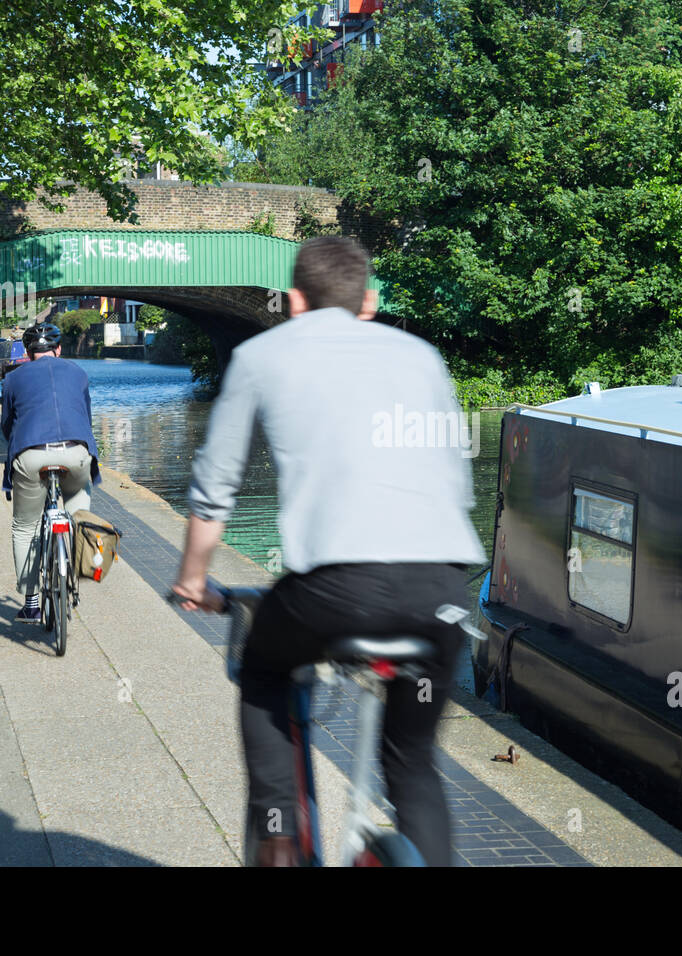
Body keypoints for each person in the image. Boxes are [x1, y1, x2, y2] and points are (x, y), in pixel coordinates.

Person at [172, 236, 484, 867]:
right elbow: (458, 478)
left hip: (336, 593)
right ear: (368, 302)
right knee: (413, 762)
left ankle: (281, 839)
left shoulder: (261, 354)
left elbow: (215, 487)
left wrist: (193, 578)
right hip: (444, 596)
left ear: (292, 302)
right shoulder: (423, 357)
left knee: (263, 670)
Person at [0, 322, 100, 624]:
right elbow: (85, 417)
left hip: (31, 455)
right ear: (59, 350)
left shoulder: (13, 378)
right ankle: (74, 564)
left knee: (25, 526)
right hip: (76, 453)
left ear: (29, 354)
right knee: (78, 511)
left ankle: (31, 603)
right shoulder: (78, 373)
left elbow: (7, 425)